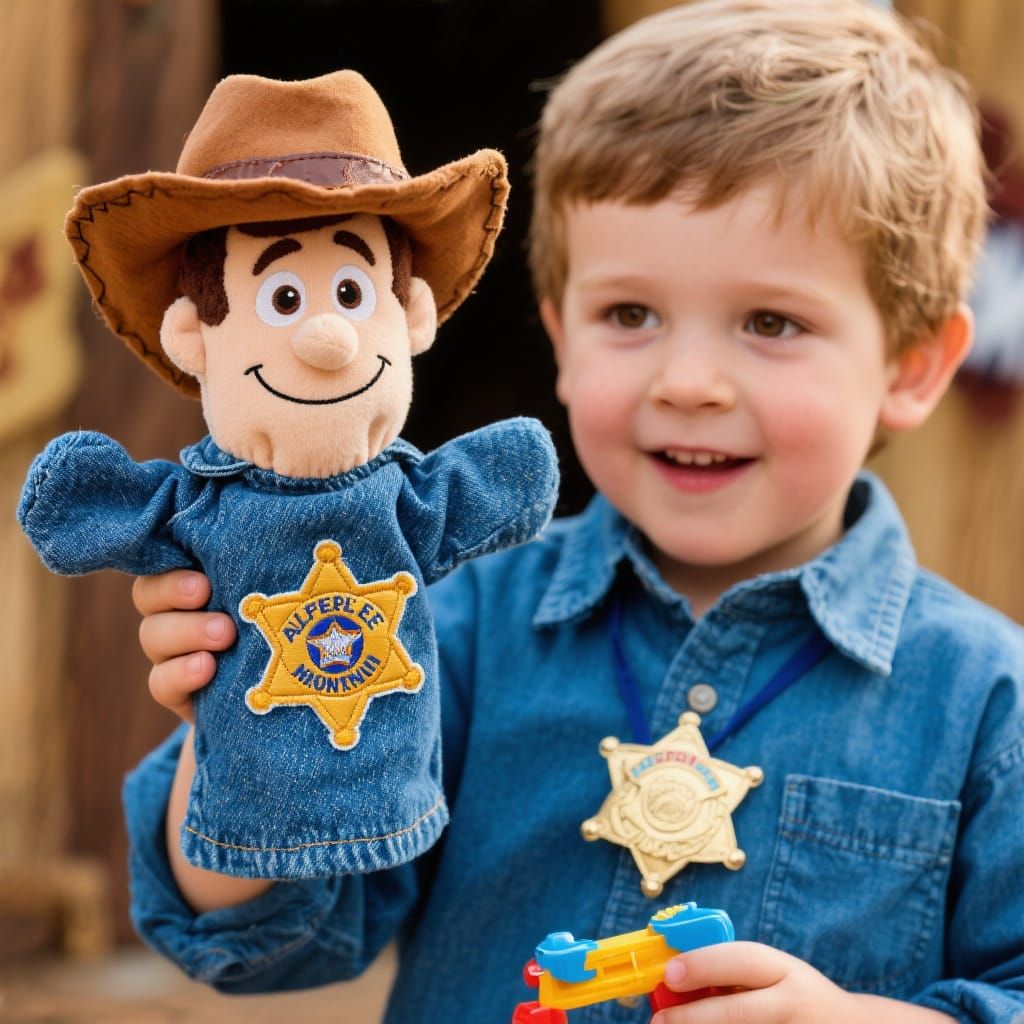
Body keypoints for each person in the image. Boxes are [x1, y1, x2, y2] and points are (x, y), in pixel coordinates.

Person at [124, 2, 1024, 1021]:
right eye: (630, 314)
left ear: (912, 367)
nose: (688, 382)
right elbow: (267, 945)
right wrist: (236, 725)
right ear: (560, 337)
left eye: (771, 323)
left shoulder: (986, 701)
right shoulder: (443, 625)